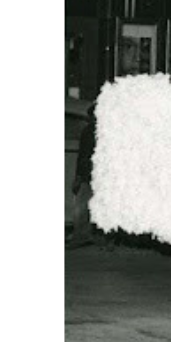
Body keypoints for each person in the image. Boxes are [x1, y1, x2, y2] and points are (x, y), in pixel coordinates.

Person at [68, 103, 98, 249]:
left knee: (81, 205)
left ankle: (81, 236)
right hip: (99, 174)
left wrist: (78, 177)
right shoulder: (107, 131)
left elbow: (83, 156)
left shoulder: (88, 131)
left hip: (88, 174)